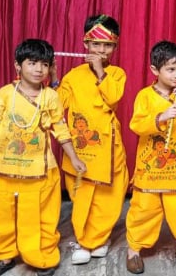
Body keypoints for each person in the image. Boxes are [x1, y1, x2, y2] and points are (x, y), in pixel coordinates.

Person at [0, 39, 87, 276]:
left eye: (44, 64)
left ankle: (42, 256)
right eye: (32, 63)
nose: (38, 69)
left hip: (39, 172)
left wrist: (74, 158)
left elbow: (61, 130)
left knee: (41, 217)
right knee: (2, 215)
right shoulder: (4, 95)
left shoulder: (50, 97)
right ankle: (4, 255)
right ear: (18, 66)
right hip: (4, 170)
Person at [50, 14, 129, 265]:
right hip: (80, 149)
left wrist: (99, 71)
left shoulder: (117, 74)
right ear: (86, 44)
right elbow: (57, 104)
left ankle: (99, 238)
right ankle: (85, 240)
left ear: (115, 47)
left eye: (107, 45)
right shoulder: (73, 76)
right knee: (82, 195)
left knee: (109, 195)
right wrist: (54, 76)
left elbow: (113, 98)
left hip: (108, 147)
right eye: (96, 44)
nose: (101, 50)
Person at [125, 40, 176, 274]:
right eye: (171, 69)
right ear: (155, 70)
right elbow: (136, 125)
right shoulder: (145, 96)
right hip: (150, 169)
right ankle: (134, 250)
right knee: (144, 209)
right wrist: (159, 118)